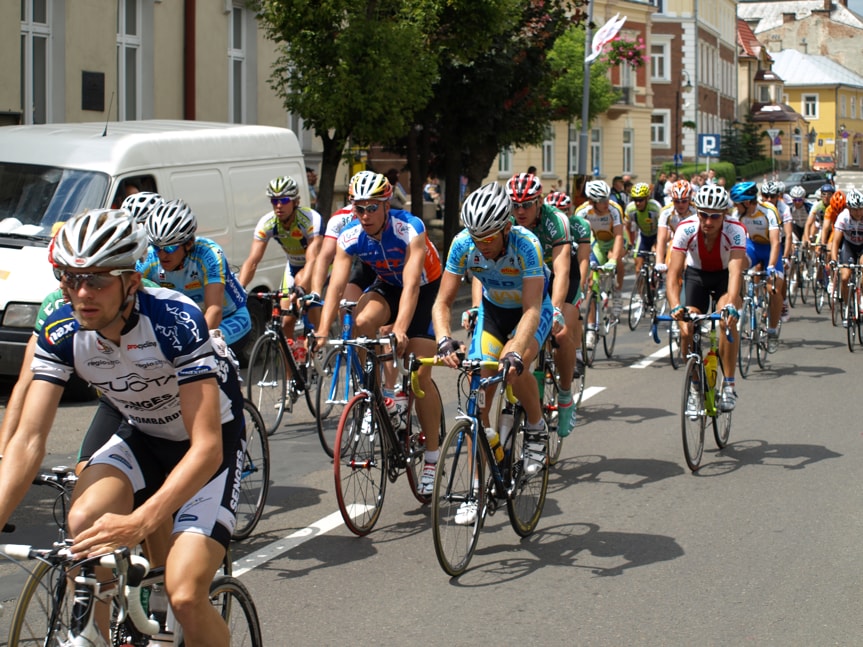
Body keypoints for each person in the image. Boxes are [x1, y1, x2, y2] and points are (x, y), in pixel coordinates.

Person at [0, 208, 245, 646]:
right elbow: (29, 438)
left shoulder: (175, 320)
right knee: (83, 519)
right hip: (143, 434)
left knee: (185, 595)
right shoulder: (60, 326)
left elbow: (206, 447)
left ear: (132, 281)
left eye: (97, 279)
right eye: (69, 278)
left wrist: (141, 519)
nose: (81, 293)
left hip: (209, 449)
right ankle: (91, 633)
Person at [312, 172, 443, 496]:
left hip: (425, 288)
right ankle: (378, 395)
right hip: (388, 284)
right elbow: (337, 286)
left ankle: (431, 457)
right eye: (359, 208)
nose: (365, 215)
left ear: (386, 205)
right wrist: (321, 330)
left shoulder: (408, 227)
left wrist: (399, 329)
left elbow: (412, 284)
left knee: (418, 372)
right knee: (361, 323)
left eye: (372, 207)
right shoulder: (350, 235)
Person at [432, 182, 552, 499]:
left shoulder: (527, 244)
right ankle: (476, 489)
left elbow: (532, 309)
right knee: (477, 399)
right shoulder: (462, 244)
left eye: (488, 238)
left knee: (517, 363)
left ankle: (537, 426)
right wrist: (444, 339)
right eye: (476, 238)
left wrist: (514, 351)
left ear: (506, 227)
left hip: (531, 311)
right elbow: (442, 302)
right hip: (493, 312)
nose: (481, 245)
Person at [507, 173, 588, 436]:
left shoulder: (557, 221)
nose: (520, 211)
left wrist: (554, 310)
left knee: (561, 333)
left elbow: (562, 269)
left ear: (539, 202)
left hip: (559, 277)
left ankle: (565, 396)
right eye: (515, 205)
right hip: (528, 277)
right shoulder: (506, 219)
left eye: (527, 204)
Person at [667, 185, 745, 412]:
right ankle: (694, 386)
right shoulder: (685, 228)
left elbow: (735, 272)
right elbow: (673, 274)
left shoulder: (735, 230)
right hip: (697, 276)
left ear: (725, 215)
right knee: (685, 327)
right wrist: (675, 308)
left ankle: (729, 384)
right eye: (703, 214)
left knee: (725, 320)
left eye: (714, 216)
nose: (708, 221)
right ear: (696, 211)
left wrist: (731, 304)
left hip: (724, 276)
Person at [138, 199, 251, 348]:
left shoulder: (208, 254)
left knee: (209, 350)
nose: (162, 254)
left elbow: (214, 310)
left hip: (229, 317)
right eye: (157, 247)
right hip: (189, 320)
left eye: (170, 248)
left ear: (188, 244)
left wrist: (192, 347)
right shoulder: (150, 259)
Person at [239, 175, 324, 338]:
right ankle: (289, 363)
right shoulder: (268, 223)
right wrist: (240, 288)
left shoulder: (310, 219)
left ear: (295, 201)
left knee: (309, 305)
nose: (278, 205)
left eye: (284, 200)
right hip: (293, 265)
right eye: (274, 200)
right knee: (285, 322)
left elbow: (313, 258)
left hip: (317, 265)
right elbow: (252, 260)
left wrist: (301, 287)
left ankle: (319, 343)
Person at [730, 181, 784, 353]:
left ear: (746, 203)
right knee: (735, 269)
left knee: (773, 288)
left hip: (770, 249)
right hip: (752, 247)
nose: (735, 207)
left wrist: (771, 267)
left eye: (737, 204)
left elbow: (776, 242)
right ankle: (740, 305)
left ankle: (773, 331)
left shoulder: (769, 211)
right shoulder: (737, 214)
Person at [573, 180, 625, 349]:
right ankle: (590, 329)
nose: (605, 203)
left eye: (606, 198)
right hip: (596, 242)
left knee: (617, 258)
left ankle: (617, 293)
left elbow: (618, 236)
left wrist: (613, 260)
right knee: (591, 283)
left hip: (612, 241)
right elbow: (578, 240)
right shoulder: (582, 212)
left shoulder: (614, 209)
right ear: (592, 201)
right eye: (601, 200)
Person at [829, 188, 863, 321]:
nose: (858, 212)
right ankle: (848, 305)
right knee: (844, 277)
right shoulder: (843, 217)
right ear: (848, 208)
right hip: (849, 246)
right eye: (855, 209)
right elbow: (835, 242)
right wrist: (833, 259)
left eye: (861, 209)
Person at [626, 182, 663, 278]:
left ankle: (659, 281)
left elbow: (662, 228)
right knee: (638, 267)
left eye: (641, 200)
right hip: (643, 236)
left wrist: (657, 244)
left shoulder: (655, 208)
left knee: (658, 262)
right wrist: (630, 242)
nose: (638, 203)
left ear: (647, 198)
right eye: (635, 200)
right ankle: (642, 292)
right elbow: (627, 226)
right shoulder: (630, 209)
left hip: (657, 235)